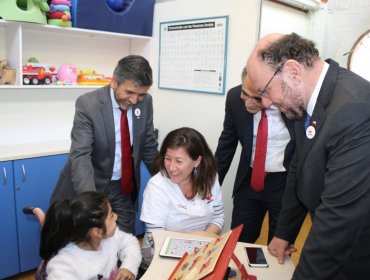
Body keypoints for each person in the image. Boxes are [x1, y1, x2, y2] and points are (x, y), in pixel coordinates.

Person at [247, 32, 370, 279]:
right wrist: (284, 233)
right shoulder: (304, 101)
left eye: (266, 90)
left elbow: (337, 225)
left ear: (293, 71)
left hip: (354, 251)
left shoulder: (355, 111)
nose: (266, 103)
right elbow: (299, 167)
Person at [51, 55, 158, 234]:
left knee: (124, 243)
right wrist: (92, 202)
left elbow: (148, 146)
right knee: (85, 246)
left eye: (141, 94)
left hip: (123, 188)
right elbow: (81, 155)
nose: (134, 100)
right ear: (114, 81)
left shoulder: (145, 103)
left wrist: (172, 179)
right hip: (91, 184)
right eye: (129, 92)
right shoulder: (88, 104)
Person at [215, 67, 294, 243]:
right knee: (238, 240)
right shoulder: (234, 98)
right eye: (245, 94)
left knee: (278, 245)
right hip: (249, 180)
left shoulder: (293, 101)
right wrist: (211, 184)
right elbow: (227, 144)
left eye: (257, 98)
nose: (249, 103)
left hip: (284, 183)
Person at [140, 127, 224, 264]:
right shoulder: (157, 186)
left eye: (178, 161)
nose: (171, 167)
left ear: (197, 161)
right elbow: (155, 238)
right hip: (162, 255)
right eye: (168, 159)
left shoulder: (210, 178)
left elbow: (218, 217)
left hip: (201, 251)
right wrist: (198, 238)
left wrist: (202, 245)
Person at [39, 191, 141, 280]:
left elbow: (130, 242)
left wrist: (128, 267)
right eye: (111, 215)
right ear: (96, 232)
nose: (116, 216)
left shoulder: (109, 237)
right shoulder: (64, 266)